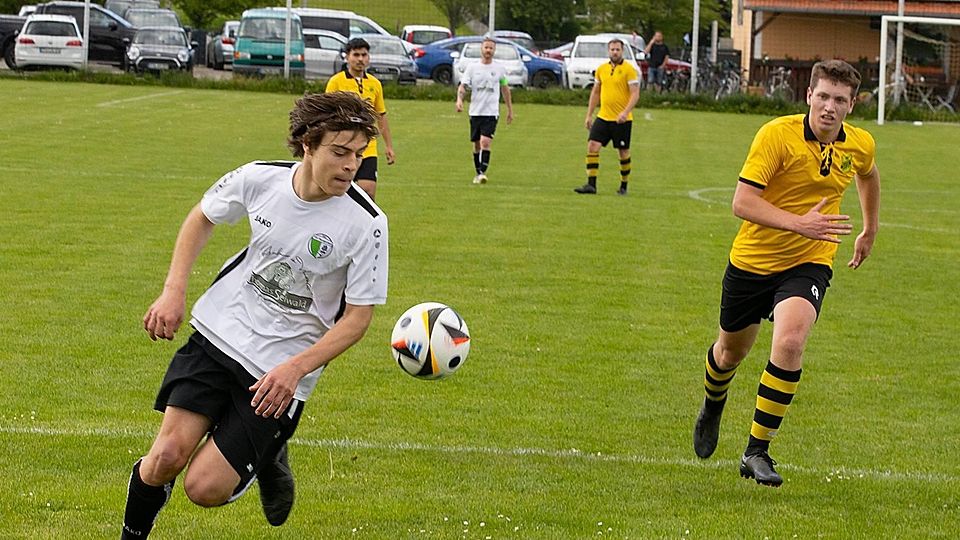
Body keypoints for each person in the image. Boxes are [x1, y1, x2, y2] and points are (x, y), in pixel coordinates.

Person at [120, 91, 389, 538]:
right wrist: (173, 291)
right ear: (308, 144)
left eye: (359, 155)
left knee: (202, 488)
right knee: (165, 457)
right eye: (339, 152)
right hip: (220, 333)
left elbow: (358, 318)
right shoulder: (259, 178)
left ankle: (268, 454)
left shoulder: (367, 224)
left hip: (280, 370)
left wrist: (295, 370)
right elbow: (202, 217)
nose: (350, 166)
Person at [692, 59, 881, 487]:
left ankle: (756, 450)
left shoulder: (859, 144)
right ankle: (713, 401)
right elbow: (742, 202)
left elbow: (868, 175)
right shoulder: (776, 135)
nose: (830, 107)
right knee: (729, 354)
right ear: (808, 96)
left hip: (810, 261)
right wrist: (799, 222)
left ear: (851, 105)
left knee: (792, 341)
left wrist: (869, 229)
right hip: (753, 261)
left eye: (840, 99)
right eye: (824, 96)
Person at [325, 37, 396, 200]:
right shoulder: (336, 82)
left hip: (367, 146)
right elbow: (326, 114)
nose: (360, 59)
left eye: (364, 55)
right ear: (347, 57)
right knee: (340, 191)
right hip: (343, 145)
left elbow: (381, 115)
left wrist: (389, 146)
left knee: (368, 190)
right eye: (356, 55)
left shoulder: (375, 84)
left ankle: (364, 225)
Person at [575, 38, 640, 196]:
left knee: (623, 151)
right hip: (603, 116)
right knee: (592, 146)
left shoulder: (629, 70)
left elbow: (635, 93)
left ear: (622, 51)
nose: (615, 52)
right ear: (608, 51)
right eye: (612, 49)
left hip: (622, 120)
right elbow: (596, 92)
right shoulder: (601, 69)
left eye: (617, 49)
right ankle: (591, 185)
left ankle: (623, 186)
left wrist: (625, 112)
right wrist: (589, 114)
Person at [455, 37, 514, 184]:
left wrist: (509, 109)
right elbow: (463, 86)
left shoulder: (499, 69)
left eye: (491, 48)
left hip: (491, 113)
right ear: (482, 49)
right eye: (486, 47)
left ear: (494, 51)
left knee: (485, 142)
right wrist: (459, 100)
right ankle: (478, 172)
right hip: (475, 112)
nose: (488, 50)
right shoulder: (472, 68)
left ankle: (482, 172)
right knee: (476, 144)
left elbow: (505, 88)